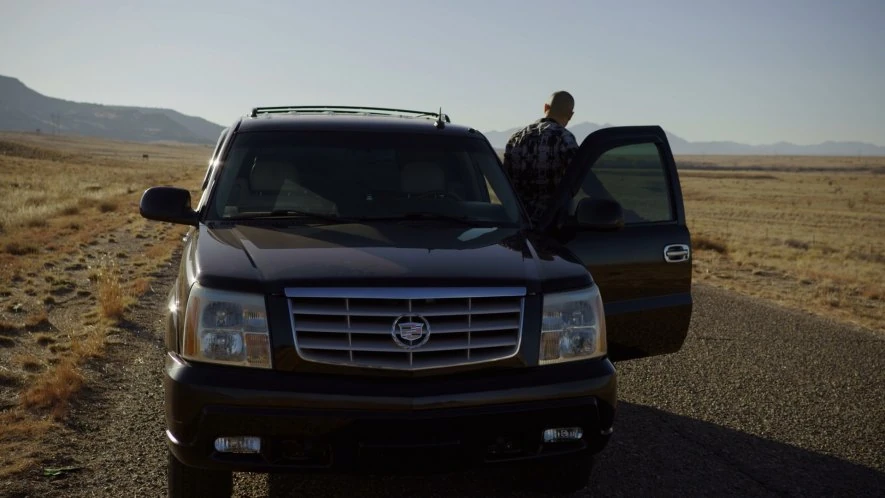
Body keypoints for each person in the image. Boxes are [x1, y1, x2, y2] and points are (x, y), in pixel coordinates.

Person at [502, 90, 579, 225]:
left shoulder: (516, 137)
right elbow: (580, 176)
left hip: (517, 220)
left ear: (545, 107)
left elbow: (504, 181)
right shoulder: (565, 139)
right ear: (571, 115)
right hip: (551, 223)